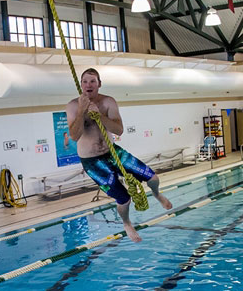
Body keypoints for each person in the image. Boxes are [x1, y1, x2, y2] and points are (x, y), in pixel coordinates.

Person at [67, 68, 171, 241]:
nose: (88, 85)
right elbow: (75, 136)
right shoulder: (72, 106)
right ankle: (127, 223)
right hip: (92, 162)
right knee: (123, 199)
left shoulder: (108, 102)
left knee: (152, 178)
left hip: (113, 152)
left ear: (99, 84)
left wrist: (99, 116)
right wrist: (81, 111)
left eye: (92, 81)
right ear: (81, 85)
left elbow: (119, 130)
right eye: (85, 81)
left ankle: (156, 194)